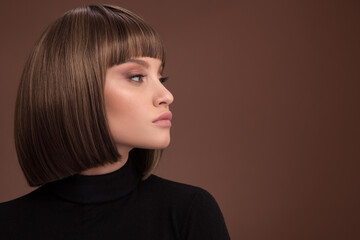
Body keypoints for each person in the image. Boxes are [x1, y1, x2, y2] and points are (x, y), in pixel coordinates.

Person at [0, 4, 230, 239]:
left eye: (162, 77)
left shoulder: (189, 212)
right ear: (75, 90)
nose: (166, 96)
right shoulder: (7, 225)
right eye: (137, 77)